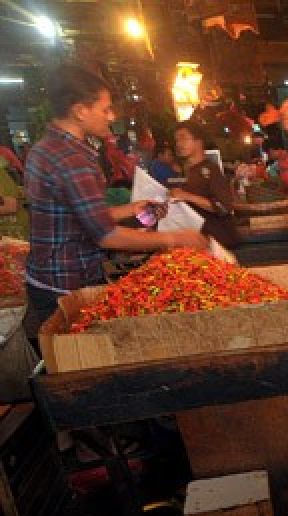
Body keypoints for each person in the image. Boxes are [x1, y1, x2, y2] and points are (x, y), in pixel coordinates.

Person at [22, 65, 206, 329]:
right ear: (80, 111)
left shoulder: (45, 147)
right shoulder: (71, 159)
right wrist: (176, 238)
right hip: (66, 286)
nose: (112, 116)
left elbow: (77, 215)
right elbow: (105, 235)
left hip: (48, 276)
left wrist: (132, 208)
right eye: (105, 108)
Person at [170, 121, 239, 250]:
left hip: (218, 244)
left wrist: (186, 196)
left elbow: (224, 207)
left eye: (183, 138)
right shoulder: (187, 173)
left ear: (198, 141)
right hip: (199, 242)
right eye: (176, 140)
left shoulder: (212, 170)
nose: (179, 144)